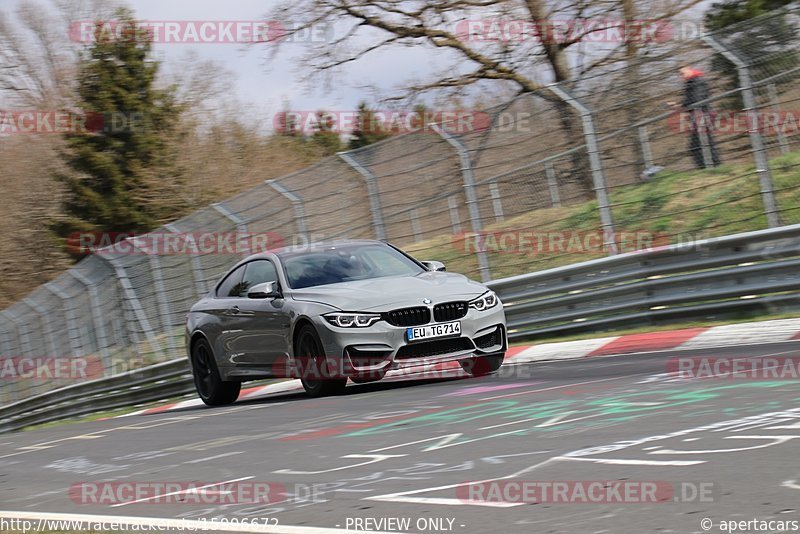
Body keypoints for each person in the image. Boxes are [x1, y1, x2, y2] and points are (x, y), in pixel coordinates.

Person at [668, 66, 721, 169]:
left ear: (690, 69)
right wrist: (679, 106)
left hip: (702, 114)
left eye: (683, 73)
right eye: (680, 74)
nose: (682, 76)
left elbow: (697, 99)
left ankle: (711, 167)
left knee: (700, 144)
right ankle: (710, 167)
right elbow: (692, 101)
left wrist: (683, 105)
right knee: (701, 143)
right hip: (699, 115)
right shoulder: (693, 82)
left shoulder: (697, 81)